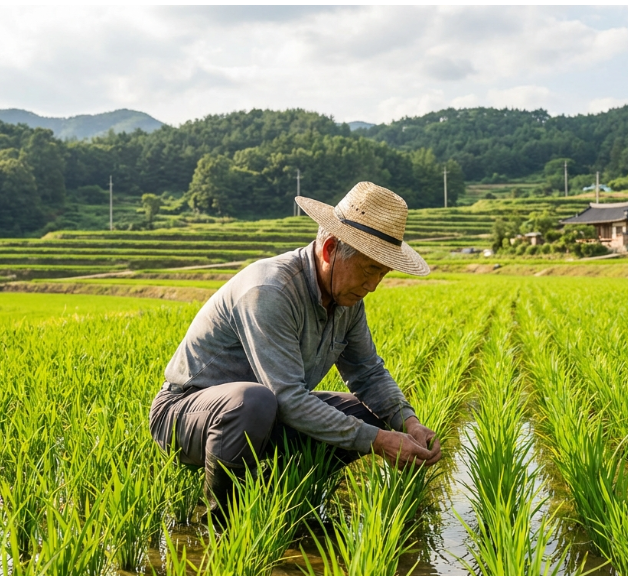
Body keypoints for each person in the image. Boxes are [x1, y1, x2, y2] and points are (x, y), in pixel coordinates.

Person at [148, 181, 441, 521]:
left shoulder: (347, 300)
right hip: (187, 414)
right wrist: (379, 442)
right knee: (253, 401)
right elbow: (285, 397)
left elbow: (367, 371)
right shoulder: (270, 290)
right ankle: (223, 523)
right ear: (330, 248)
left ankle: (279, 501)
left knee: (369, 415)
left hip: (264, 412)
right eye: (369, 270)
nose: (373, 285)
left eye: (382, 274)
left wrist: (408, 423)